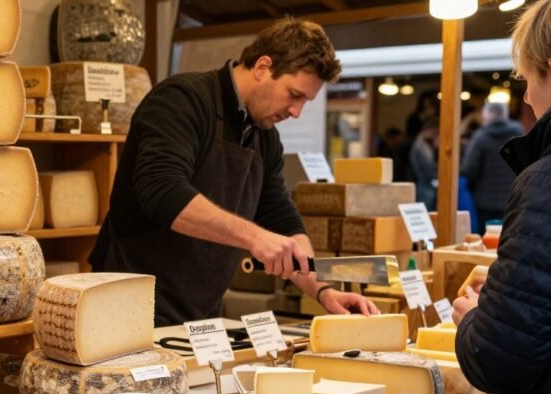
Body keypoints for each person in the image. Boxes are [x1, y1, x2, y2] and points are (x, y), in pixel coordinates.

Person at [88, 17, 378, 326]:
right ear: (263, 67)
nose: (296, 112)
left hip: (200, 310)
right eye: (294, 94)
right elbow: (163, 191)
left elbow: (280, 217)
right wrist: (255, 238)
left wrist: (323, 291)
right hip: (129, 303)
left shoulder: (265, 137)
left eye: (305, 101)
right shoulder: (182, 100)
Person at [453, 1, 551, 394]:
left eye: (528, 77)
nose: (528, 98)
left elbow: (500, 358)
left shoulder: (544, 182)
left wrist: (473, 317)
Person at [462, 101, 525, 227]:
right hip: (513, 198)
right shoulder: (519, 134)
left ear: (487, 115)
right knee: (510, 234)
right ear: (505, 114)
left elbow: (469, 169)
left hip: (484, 200)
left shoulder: (480, 137)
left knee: (487, 235)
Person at [408, 118, 439, 211]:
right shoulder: (420, 146)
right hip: (425, 184)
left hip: (426, 184)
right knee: (426, 211)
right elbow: (428, 167)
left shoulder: (424, 144)